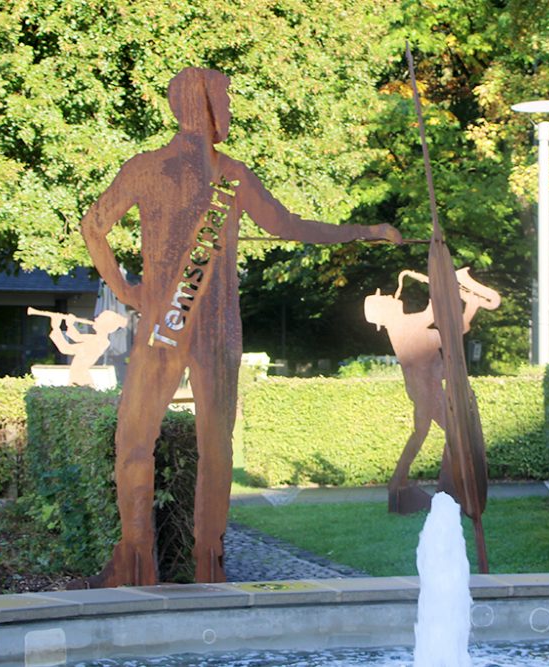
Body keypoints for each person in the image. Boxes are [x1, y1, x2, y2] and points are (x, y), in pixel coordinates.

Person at [80, 67, 401, 586]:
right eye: (224, 97)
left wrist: (129, 292)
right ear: (203, 103)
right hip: (215, 327)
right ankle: (208, 564)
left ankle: (137, 562)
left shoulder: (150, 167)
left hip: (166, 322)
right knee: (213, 444)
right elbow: (290, 226)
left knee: (136, 441)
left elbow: (93, 228)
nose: (228, 107)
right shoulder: (229, 174)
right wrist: (366, 232)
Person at [364, 268, 499, 514]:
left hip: (429, 387)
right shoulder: (402, 326)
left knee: (441, 433)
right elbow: (433, 314)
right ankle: (413, 483)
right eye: (387, 300)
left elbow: (455, 329)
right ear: (384, 312)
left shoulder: (404, 326)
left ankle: (408, 483)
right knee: (431, 433)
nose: (394, 298)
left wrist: (470, 305)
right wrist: (445, 286)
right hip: (424, 389)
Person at [46, 311, 128, 387]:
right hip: (80, 376)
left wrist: (56, 328)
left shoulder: (96, 342)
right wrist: (70, 324)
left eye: (99, 318)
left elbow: (66, 348)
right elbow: (77, 337)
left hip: (81, 378)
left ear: (104, 325)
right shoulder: (99, 339)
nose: (95, 319)